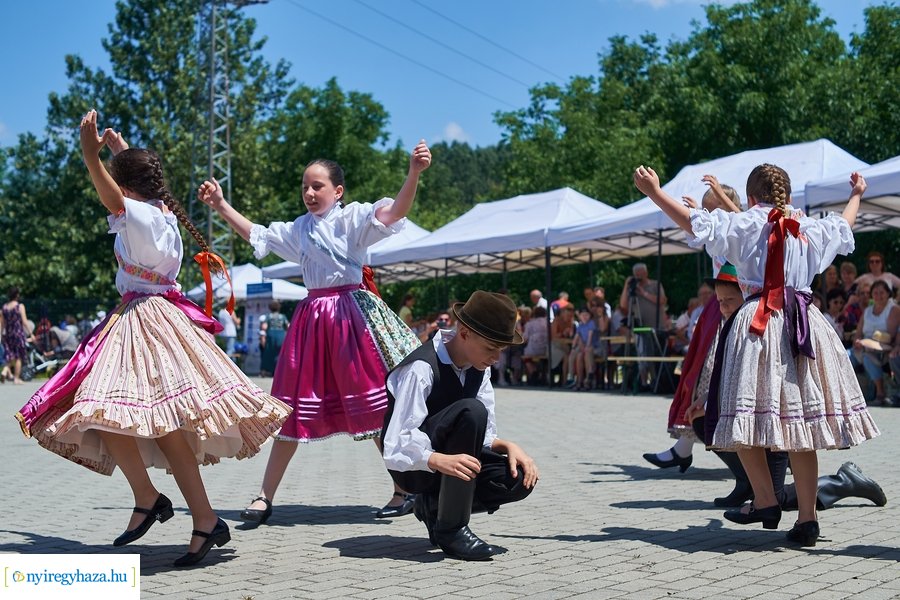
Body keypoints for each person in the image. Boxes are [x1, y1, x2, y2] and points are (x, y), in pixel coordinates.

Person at [14, 110, 291, 567]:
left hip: (145, 321)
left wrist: (91, 157)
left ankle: (183, 511)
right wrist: (123, 153)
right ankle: (165, 503)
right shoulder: (163, 213)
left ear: (125, 187)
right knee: (121, 416)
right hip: (151, 319)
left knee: (127, 416)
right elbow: (137, 189)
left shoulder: (139, 213)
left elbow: (114, 195)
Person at [634, 161, 879, 546]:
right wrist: (857, 194)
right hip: (803, 323)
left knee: (739, 412)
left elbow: (694, 224)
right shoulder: (807, 226)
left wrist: (654, 192)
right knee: (801, 426)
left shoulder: (747, 223)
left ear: (750, 197)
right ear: (789, 195)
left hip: (759, 324)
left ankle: (765, 500)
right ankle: (807, 519)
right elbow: (844, 224)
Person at [198, 140, 431, 523]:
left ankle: (404, 488)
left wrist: (414, 173)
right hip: (312, 322)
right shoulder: (300, 229)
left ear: (337, 191)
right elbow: (258, 234)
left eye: (317, 186)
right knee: (290, 407)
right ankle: (264, 496)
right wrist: (221, 205)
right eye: (305, 186)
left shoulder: (353, 219)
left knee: (374, 408)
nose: (309, 192)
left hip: (351, 321)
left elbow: (395, 212)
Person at [381, 291, 538, 560]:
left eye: (500, 350)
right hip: (415, 469)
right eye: (490, 348)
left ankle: (434, 507)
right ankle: (451, 529)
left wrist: (509, 446)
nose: (496, 358)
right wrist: (438, 459)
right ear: (464, 333)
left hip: (450, 463)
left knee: (518, 479)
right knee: (471, 410)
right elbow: (395, 444)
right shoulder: (421, 368)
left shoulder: (480, 367)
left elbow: (483, 436)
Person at [848, 280, 900, 406]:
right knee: (844, 356)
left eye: (882, 292)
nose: (878, 295)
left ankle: (880, 393)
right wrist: (857, 341)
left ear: (888, 294)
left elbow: (891, 335)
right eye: (875, 293)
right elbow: (858, 332)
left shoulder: (894, 309)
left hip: (882, 347)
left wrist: (870, 342)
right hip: (863, 345)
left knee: (868, 358)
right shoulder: (867, 311)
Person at [1, 287, 32, 385]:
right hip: (18, 334)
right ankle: (16, 378)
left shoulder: (4, 307)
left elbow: (2, 324)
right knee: (18, 356)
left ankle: (5, 370)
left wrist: (1, 335)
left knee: (10, 355)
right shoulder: (19, 306)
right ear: (17, 295)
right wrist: (31, 334)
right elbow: (24, 321)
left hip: (8, 334)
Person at [568, 307, 597, 390]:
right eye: (582, 315)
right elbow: (576, 337)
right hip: (583, 345)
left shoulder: (591, 323)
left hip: (593, 345)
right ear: (579, 316)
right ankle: (573, 378)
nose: (584, 317)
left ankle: (588, 378)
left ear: (589, 316)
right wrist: (573, 347)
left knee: (587, 352)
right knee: (576, 355)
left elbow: (590, 337)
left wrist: (586, 346)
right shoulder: (580, 325)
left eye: (586, 315)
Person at [260, 300, 288, 377]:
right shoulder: (283, 316)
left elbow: (264, 327)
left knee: (269, 353)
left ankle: (266, 371)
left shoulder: (268, 316)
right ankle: (278, 371)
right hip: (281, 336)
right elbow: (288, 326)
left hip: (271, 335)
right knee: (279, 354)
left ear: (270, 308)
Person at [522, 306, 548, 385]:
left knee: (525, 356)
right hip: (546, 349)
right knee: (544, 360)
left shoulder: (530, 324)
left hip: (533, 349)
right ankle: (542, 375)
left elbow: (525, 338)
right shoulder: (548, 323)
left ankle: (533, 372)